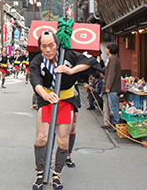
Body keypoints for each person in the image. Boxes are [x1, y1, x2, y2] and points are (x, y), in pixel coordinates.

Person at [30, 31, 100, 190]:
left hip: (67, 99)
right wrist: (44, 95)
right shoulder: (38, 60)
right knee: (41, 137)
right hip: (47, 98)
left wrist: (71, 70)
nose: (48, 50)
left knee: (63, 140)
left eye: (51, 45)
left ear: (57, 44)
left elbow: (92, 61)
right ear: (40, 47)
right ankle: (40, 173)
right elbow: (34, 79)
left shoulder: (68, 55)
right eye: (44, 46)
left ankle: (56, 174)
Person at [101, 43, 122, 132]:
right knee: (112, 106)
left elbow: (111, 74)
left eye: (106, 49)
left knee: (113, 107)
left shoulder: (113, 60)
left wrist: (108, 86)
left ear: (109, 50)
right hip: (111, 87)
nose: (106, 50)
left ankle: (115, 125)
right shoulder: (113, 59)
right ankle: (112, 124)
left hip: (112, 88)